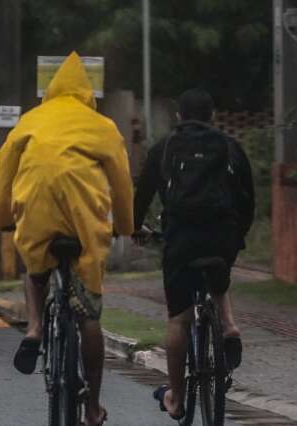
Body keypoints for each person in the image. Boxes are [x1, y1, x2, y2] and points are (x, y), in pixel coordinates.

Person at [0, 52, 134, 426]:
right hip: (84, 220)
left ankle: (35, 326)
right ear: (88, 93)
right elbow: (120, 182)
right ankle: (92, 406)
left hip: (37, 213)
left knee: (35, 269)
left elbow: (5, 169)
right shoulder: (101, 125)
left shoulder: (30, 120)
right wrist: (126, 226)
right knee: (88, 315)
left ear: (49, 92)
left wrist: (1, 219)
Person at [132, 88, 255, 420]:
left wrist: (134, 228)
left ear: (178, 118)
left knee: (179, 320)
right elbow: (248, 198)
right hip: (222, 238)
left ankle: (176, 397)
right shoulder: (230, 147)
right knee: (218, 271)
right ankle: (228, 325)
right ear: (213, 116)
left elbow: (142, 195)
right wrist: (237, 236)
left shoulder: (166, 147)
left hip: (181, 239)